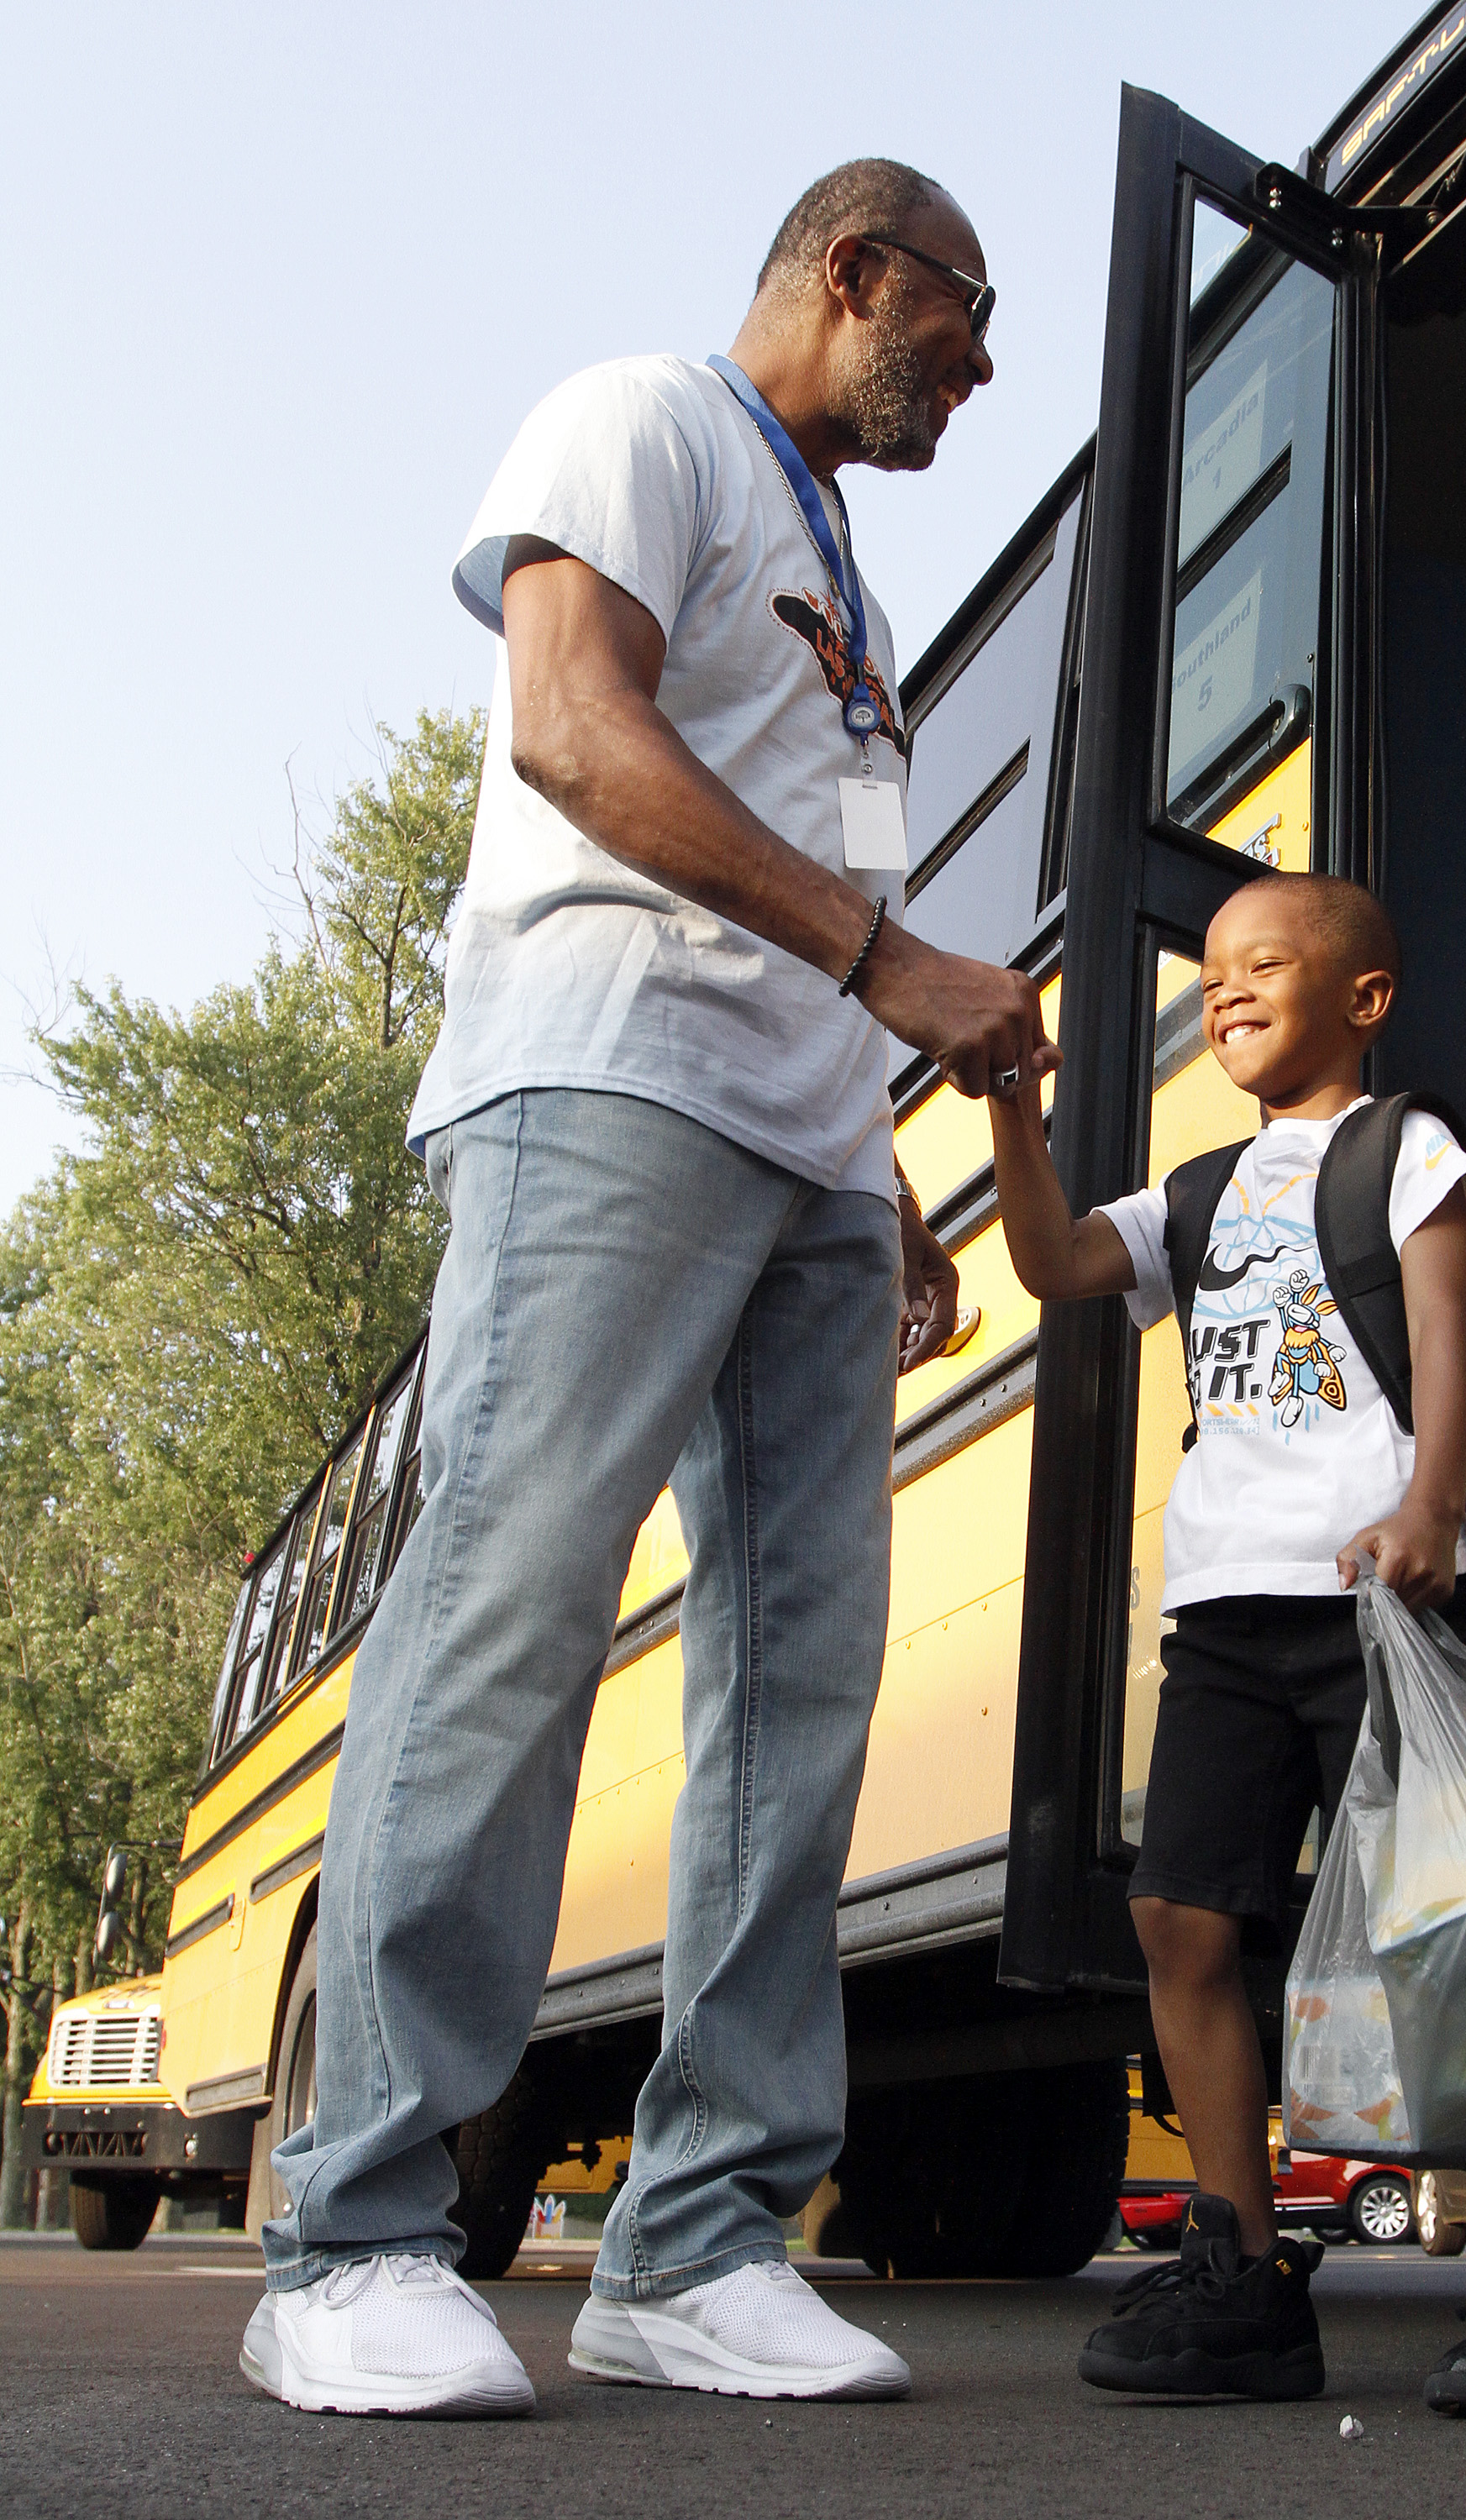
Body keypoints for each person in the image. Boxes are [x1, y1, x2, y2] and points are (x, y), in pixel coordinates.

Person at [239, 158, 1054, 2419]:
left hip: (799, 1146)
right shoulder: (642, 418)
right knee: (510, 1595)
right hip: (603, 1083)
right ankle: (354, 2234)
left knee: (802, 1685)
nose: (977, 373)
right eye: (960, 325)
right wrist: (891, 963)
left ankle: (695, 2248)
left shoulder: (846, 580)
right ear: (850, 269)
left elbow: (799, 892)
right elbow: (577, 737)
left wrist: (873, 1162)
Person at [985, 869, 1466, 2418]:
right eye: (1209, 978)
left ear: (1364, 996)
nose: (1226, 994)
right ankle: (1243, 2274)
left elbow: (1445, 1336)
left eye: (1262, 965)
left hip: (1389, 1594)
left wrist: (1431, 1500)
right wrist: (1015, 1104)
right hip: (1223, 1605)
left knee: (1462, 1920)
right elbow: (1053, 1264)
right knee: (1182, 1926)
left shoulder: (1405, 1148)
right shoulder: (1200, 1192)